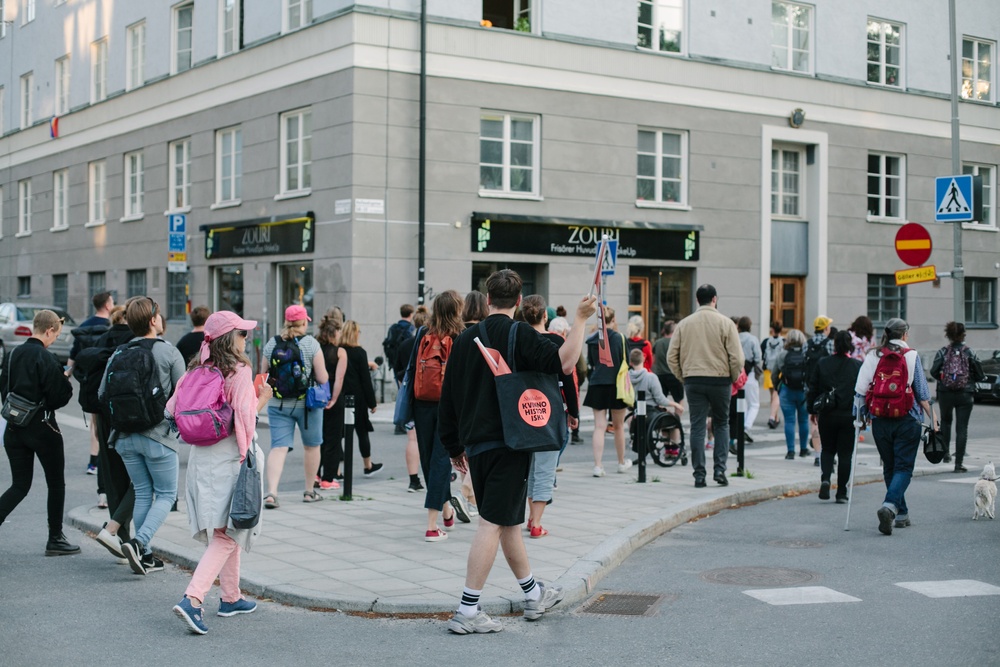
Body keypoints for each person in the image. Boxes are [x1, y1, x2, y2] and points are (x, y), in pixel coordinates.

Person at [439, 269, 596, 634]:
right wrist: (580, 320)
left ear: (487, 298)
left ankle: (533, 593)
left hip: (476, 444)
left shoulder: (465, 340)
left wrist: (453, 447)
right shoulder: (521, 334)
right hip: (511, 441)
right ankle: (467, 608)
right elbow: (566, 362)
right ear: (520, 301)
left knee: (509, 520)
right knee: (491, 523)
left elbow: (449, 398)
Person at [169, 311, 272, 635]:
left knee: (227, 531)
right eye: (242, 333)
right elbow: (245, 418)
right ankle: (193, 599)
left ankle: (230, 598)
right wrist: (263, 401)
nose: (246, 338)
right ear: (231, 339)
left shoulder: (195, 369)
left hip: (201, 457)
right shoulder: (238, 370)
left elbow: (170, 410)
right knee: (228, 534)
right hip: (229, 457)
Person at [101, 297, 186, 574]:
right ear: (153, 320)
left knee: (142, 492)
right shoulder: (168, 352)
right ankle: (139, 543)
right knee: (166, 494)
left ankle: (145, 556)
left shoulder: (119, 352)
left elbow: (103, 394)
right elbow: (183, 395)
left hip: (124, 437)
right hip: (158, 436)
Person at [0, 309, 78, 556]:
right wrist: (64, 379)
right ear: (49, 331)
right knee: (56, 483)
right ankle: (55, 538)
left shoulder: (12, 355)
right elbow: (59, 398)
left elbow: (5, 391)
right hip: (43, 429)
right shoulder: (46, 358)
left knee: (19, 485)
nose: (55, 338)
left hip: (13, 427)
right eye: (56, 334)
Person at [854, 318, 937, 535]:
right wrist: (934, 420)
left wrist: (861, 418)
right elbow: (922, 393)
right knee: (903, 468)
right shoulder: (911, 355)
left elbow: (860, 391)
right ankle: (890, 506)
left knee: (890, 467)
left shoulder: (873, 355)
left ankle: (901, 513)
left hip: (880, 420)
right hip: (907, 419)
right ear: (905, 334)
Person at [667, 284, 744, 488]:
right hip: (720, 379)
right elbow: (737, 358)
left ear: (696, 299)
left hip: (694, 379)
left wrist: (683, 376)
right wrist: (731, 376)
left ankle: (699, 474)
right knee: (721, 423)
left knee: (698, 426)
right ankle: (719, 469)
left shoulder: (684, 324)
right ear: (715, 299)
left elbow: (671, 357)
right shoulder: (726, 323)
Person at [406, 291, 464, 542]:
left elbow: (411, 368)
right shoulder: (460, 335)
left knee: (430, 460)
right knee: (441, 460)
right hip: (449, 404)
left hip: (421, 403)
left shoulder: (422, 332)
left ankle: (447, 509)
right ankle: (432, 525)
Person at [522, 297, 579, 539]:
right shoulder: (557, 341)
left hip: (524, 409)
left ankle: (530, 517)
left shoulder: (519, 341)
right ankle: (536, 523)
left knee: (531, 468)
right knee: (546, 468)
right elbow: (568, 378)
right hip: (552, 410)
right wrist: (573, 412)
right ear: (545, 316)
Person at [261, 304, 329, 507]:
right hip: (307, 405)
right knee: (312, 446)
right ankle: (309, 491)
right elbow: (323, 377)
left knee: (278, 448)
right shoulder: (311, 344)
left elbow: (263, 375)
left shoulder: (272, 344)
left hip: (278, 404)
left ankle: (272, 493)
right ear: (303, 322)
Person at [91, 306, 140, 559]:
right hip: (129, 416)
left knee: (113, 478)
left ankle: (121, 537)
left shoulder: (102, 339)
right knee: (144, 479)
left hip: (103, 413)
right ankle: (120, 532)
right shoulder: (134, 342)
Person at [807, 330, 862, 503]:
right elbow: (862, 392)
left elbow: (813, 387)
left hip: (827, 413)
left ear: (835, 344)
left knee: (828, 449)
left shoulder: (823, 363)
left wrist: (812, 410)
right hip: (848, 415)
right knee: (845, 454)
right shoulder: (856, 366)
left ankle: (825, 478)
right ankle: (842, 492)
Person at [67, 291, 113, 480]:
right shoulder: (110, 326)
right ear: (108, 305)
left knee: (95, 422)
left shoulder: (85, 325)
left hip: (90, 380)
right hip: (108, 379)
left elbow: (73, 353)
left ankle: (93, 462)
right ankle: (105, 461)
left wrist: (67, 376)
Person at [929, 321, 985, 472]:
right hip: (965, 393)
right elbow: (980, 374)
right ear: (963, 335)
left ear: (948, 335)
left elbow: (934, 371)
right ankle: (958, 463)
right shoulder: (969, 352)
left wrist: (943, 379)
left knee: (946, 422)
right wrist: (970, 379)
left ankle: (946, 453)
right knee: (962, 427)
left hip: (945, 392)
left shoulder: (942, 352)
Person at [584, 306, 630, 477]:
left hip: (597, 384)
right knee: (618, 426)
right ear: (614, 320)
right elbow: (626, 363)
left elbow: (590, 363)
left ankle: (598, 465)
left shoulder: (592, 339)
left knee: (599, 426)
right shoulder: (620, 338)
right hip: (616, 384)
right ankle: (621, 462)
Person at [339, 320, 383, 476]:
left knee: (338, 433)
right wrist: (372, 403)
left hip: (340, 395)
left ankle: (336, 470)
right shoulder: (359, 352)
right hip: (358, 397)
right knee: (362, 432)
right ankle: (368, 465)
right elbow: (366, 380)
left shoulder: (338, 351)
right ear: (355, 333)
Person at [397, 307, 430, 493]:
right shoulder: (431, 342)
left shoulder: (405, 344)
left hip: (411, 397)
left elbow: (398, 370)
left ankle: (413, 479)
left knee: (412, 439)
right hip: (430, 398)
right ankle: (434, 476)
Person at [316, 308, 347, 490]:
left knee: (318, 438)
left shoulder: (316, 349)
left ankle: (316, 474)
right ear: (334, 333)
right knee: (333, 439)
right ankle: (328, 478)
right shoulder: (340, 352)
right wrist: (334, 399)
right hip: (333, 399)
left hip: (316, 398)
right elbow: (339, 379)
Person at [628, 349, 683, 448]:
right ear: (644, 359)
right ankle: (672, 449)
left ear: (630, 362)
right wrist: (676, 404)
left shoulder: (627, 377)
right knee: (674, 418)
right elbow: (660, 400)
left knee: (665, 413)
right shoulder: (651, 377)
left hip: (636, 414)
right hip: (652, 415)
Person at [773, 329, 810, 461]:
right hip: (803, 391)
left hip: (787, 390)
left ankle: (790, 451)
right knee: (804, 420)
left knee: (789, 421)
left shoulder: (782, 355)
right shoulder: (806, 354)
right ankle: (804, 449)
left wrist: (777, 387)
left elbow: (774, 373)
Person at [736, 316, 762, 442]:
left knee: (742, 402)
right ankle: (746, 427)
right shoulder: (753, 339)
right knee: (754, 404)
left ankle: (740, 426)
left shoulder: (735, 338)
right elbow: (758, 358)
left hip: (737, 373)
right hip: (750, 372)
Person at [761, 321, 785, 429]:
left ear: (772, 329)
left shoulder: (766, 341)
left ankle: (776, 418)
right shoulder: (784, 341)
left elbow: (762, 355)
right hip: (779, 371)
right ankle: (772, 417)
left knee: (773, 395)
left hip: (767, 371)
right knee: (776, 394)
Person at [652, 321, 683, 403]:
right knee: (679, 400)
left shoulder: (657, 343)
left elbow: (653, 360)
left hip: (660, 375)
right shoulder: (676, 342)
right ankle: (677, 416)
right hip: (674, 376)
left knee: (661, 400)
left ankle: (662, 415)